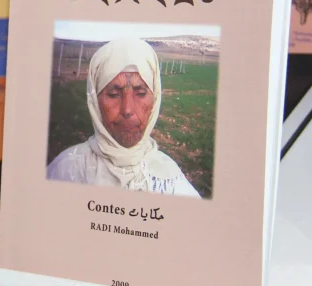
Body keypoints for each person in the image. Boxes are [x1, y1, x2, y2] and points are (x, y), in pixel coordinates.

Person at [46, 37, 201, 198]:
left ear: (154, 99)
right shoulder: (65, 171)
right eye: (113, 94)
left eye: (140, 94)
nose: (127, 109)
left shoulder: (170, 180)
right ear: (95, 101)